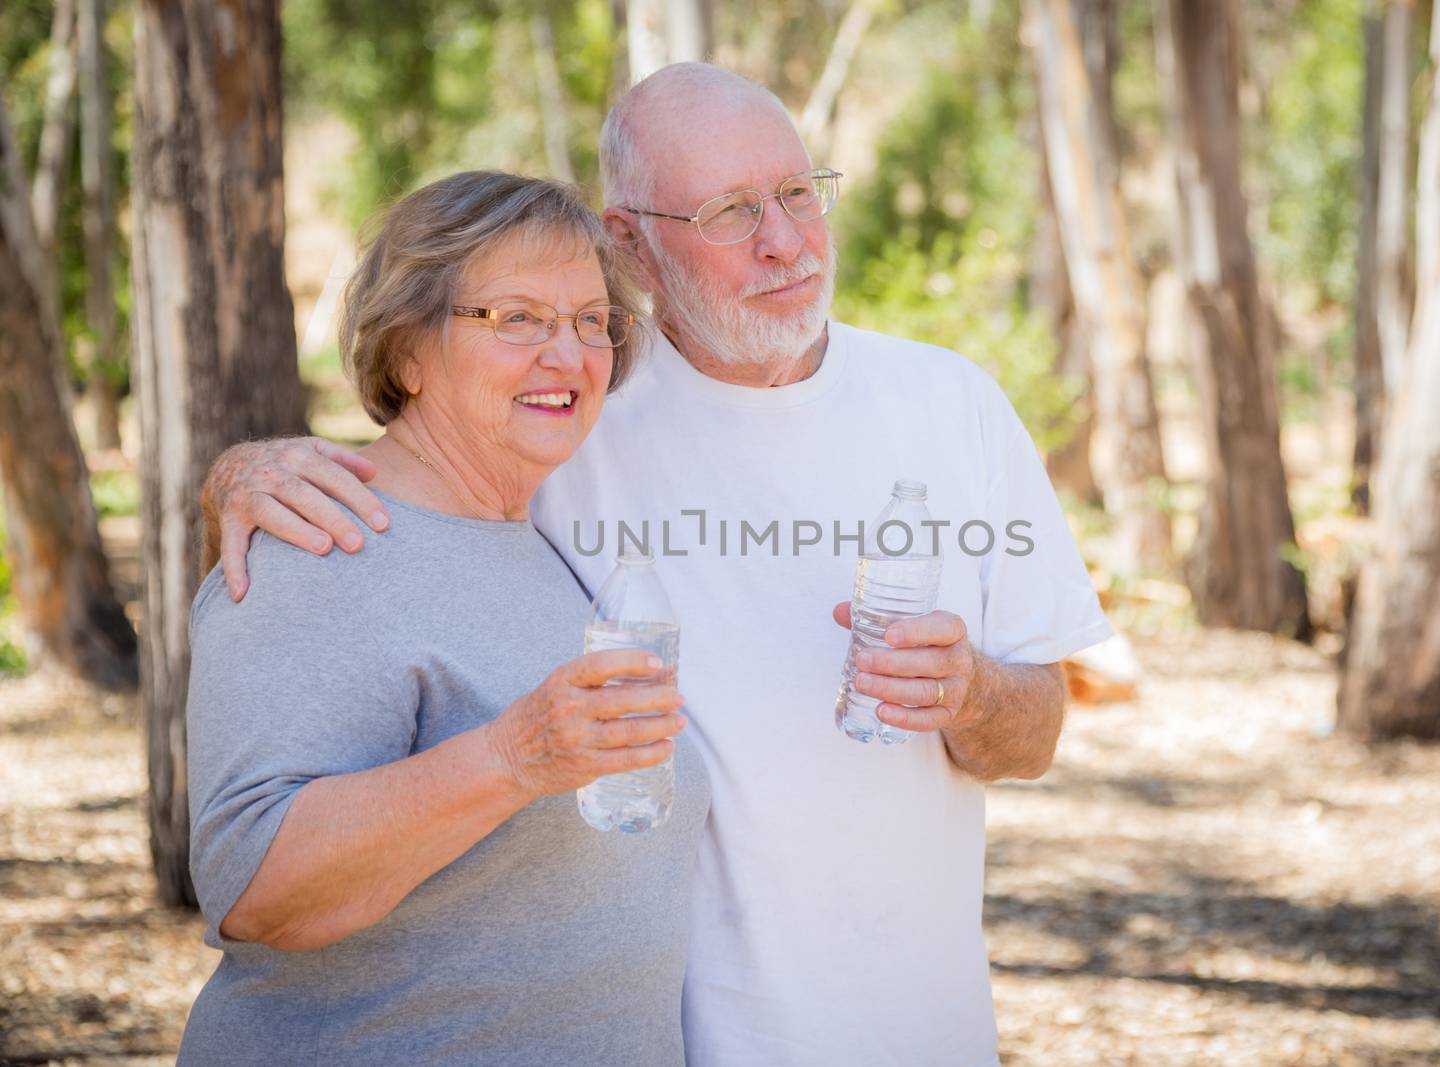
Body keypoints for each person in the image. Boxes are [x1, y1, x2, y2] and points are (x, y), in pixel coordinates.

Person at [204, 65, 1112, 1067]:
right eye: (729, 211)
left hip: (919, 1029)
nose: (785, 239)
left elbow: (1033, 733)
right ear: (631, 239)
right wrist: (242, 473)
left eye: (799, 192)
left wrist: (974, 689)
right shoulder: (568, 421)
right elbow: (405, 492)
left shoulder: (954, 405)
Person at [179, 171, 709, 1067]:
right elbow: (255, 887)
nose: (568, 353)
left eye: (591, 321)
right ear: (406, 349)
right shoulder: (318, 539)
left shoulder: (545, 533)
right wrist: (511, 758)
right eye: (517, 319)